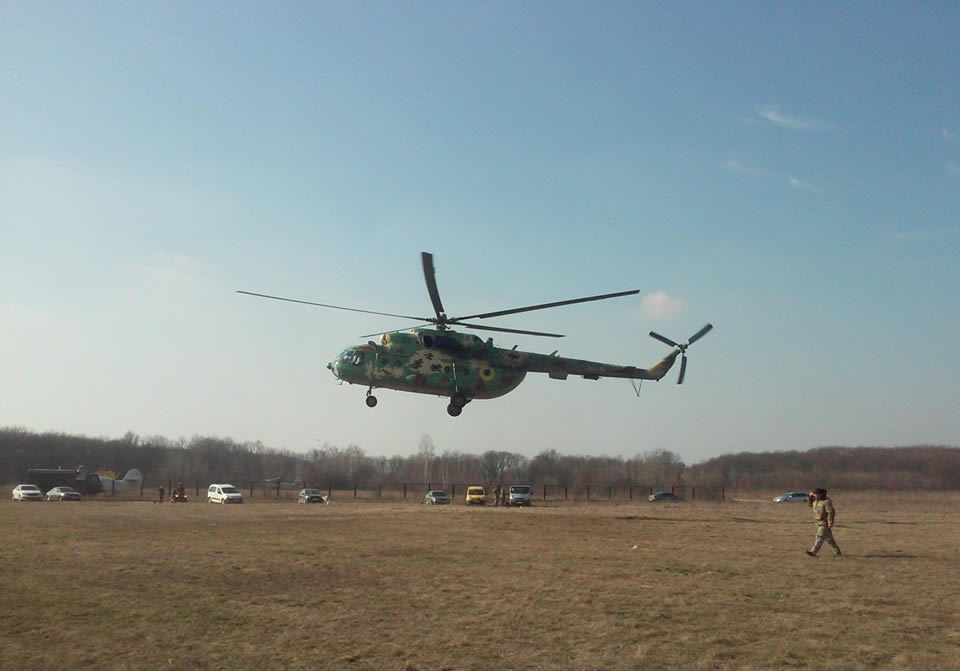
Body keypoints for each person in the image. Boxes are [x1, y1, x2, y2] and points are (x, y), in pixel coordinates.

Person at [806, 488, 841, 557]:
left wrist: (830, 521)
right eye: (814, 494)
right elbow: (810, 505)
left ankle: (813, 552)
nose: (814, 495)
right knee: (830, 539)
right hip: (818, 523)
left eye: (815, 494)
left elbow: (831, 512)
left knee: (819, 537)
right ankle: (837, 552)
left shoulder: (826, 502)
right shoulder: (815, 501)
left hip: (824, 523)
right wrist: (809, 497)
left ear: (820, 494)